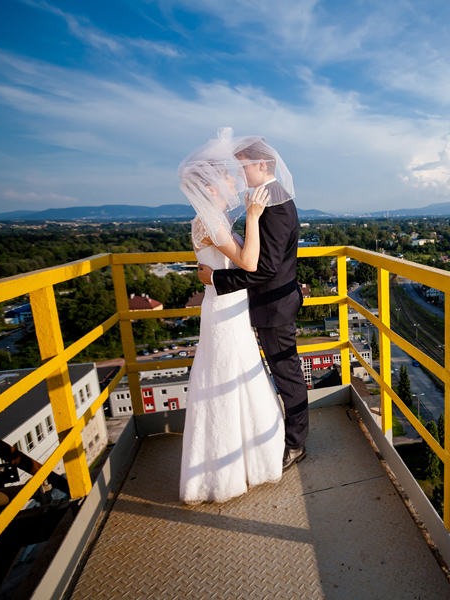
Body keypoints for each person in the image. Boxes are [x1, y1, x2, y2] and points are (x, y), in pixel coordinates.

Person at [178, 128, 285, 504]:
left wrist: (213, 274)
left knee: (237, 376)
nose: (232, 179)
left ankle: (242, 462)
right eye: (224, 176)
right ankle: (225, 472)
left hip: (228, 305)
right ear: (208, 187)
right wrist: (254, 216)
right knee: (227, 377)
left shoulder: (210, 220)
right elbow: (250, 262)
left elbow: (228, 264)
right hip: (225, 310)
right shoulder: (210, 222)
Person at [196, 135, 309, 473]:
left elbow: (264, 269)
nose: (238, 172)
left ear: (262, 164)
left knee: (287, 375)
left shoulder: (272, 205)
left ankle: (296, 444)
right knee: (280, 373)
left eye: (243, 165)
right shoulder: (271, 198)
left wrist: (216, 280)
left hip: (273, 306)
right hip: (271, 304)